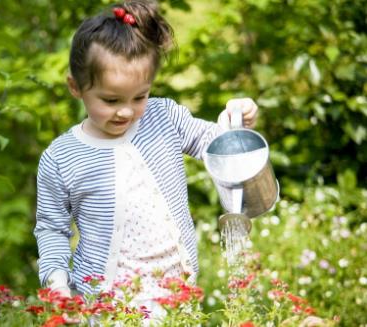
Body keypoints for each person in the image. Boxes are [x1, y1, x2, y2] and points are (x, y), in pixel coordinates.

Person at [34, 0, 258, 320]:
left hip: (175, 297)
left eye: (140, 96)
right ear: (76, 86)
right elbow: (52, 229)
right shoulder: (61, 158)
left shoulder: (163, 117)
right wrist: (58, 285)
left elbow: (218, 145)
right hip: (107, 306)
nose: (126, 111)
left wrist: (236, 118)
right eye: (111, 100)